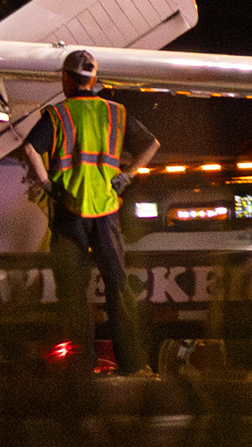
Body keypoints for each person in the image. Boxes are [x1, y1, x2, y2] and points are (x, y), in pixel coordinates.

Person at [21, 51, 159, 375]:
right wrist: (127, 176)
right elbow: (151, 144)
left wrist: (47, 184)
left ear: (67, 79)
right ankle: (133, 363)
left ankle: (81, 368)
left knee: (74, 292)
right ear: (94, 79)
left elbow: (30, 148)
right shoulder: (116, 113)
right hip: (107, 211)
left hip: (70, 210)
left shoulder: (57, 115)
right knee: (118, 287)